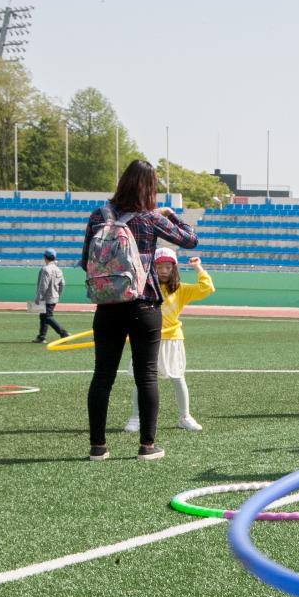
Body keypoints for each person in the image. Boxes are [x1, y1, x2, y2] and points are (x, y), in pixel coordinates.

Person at [82, 160, 198, 462]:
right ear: (150, 187)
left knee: (102, 375)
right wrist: (172, 214)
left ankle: (98, 447)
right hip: (143, 304)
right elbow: (190, 239)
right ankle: (147, 446)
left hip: (107, 306)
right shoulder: (150, 218)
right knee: (146, 376)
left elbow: (86, 261)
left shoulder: (98, 216)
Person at [121, 248, 214, 433]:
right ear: (152, 268)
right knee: (143, 380)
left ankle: (185, 417)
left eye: (167, 267)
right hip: (147, 339)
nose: (163, 270)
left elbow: (207, 288)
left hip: (172, 339)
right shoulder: (143, 287)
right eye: (159, 266)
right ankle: (136, 417)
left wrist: (198, 268)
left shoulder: (180, 289)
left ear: (174, 269)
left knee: (178, 378)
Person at [32, 248, 70, 343]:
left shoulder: (45, 269)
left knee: (48, 317)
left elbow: (43, 285)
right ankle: (41, 336)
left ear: (45, 257)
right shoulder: (58, 269)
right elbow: (62, 284)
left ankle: (64, 333)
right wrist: (58, 294)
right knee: (43, 316)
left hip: (46, 298)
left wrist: (38, 298)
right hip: (54, 297)